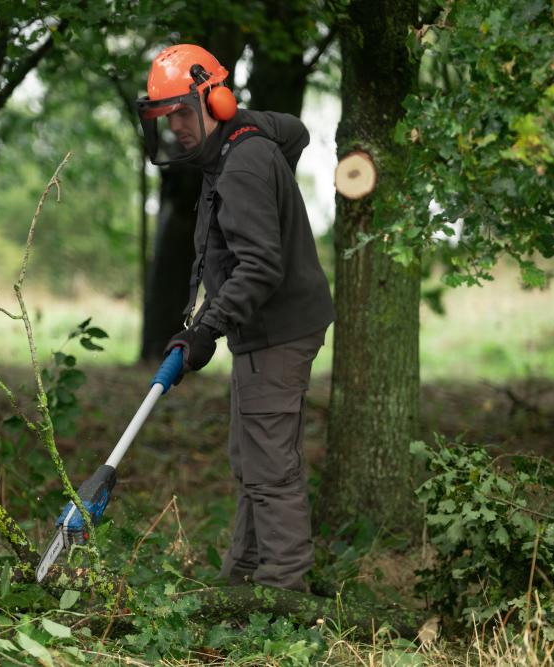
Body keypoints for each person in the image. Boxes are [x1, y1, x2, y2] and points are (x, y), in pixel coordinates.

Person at [136, 44, 335, 592]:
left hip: (279, 327)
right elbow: (294, 130)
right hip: (262, 328)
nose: (174, 126)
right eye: (164, 116)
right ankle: (243, 575)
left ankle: (284, 588)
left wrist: (205, 330)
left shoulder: (242, 161)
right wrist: (241, 123)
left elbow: (261, 266)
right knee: (249, 457)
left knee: (270, 463)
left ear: (216, 100)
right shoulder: (236, 146)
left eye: (181, 111)